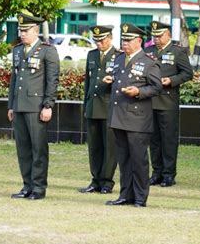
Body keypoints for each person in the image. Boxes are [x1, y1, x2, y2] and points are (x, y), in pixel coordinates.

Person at [104, 23, 162, 207]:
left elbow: (156, 87)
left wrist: (138, 91)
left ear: (139, 41)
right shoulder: (120, 59)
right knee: (124, 159)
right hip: (119, 115)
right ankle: (125, 195)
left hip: (137, 119)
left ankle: (139, 197)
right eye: (123, 39)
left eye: (129, 40)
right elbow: (120, 79)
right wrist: (110, 81)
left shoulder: (148, 62)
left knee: (138, 159)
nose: (125, 43)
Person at [8, 13, 60, 200]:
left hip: (36, 106)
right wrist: (11, 105)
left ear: (36, 31)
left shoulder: (47, 50)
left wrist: (48, 105)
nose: (22, 33)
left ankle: (38, 187)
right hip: (20, 105)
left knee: (38, 149)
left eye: (26, 30)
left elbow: (52, 81)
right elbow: (14, 80)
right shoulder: (17, 50)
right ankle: (26, 185)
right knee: (23, 149)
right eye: (20, 30)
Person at [145, 21, 193, 187]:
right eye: (154, 36)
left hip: (167, 102)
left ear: (169, 35)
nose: (157, 39)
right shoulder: (148, 51)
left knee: (169, 140)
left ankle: (168, 174)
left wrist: (171, 80)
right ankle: (156, 172)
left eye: (160, 36)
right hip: (150, 102)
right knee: (154, 140)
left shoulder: (177, 52)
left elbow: (187, 73)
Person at [79, 25, 120, 194]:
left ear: (110, 38)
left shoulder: (119, 56)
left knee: (109, 147)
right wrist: (86, 105)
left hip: (109, 107)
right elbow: (88, 83)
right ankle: (95, 179)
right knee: (94, 147)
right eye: (96, 40)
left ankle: (106, 181)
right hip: (93, 106)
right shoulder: (92, 55)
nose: (99, 44)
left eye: (102, 40)